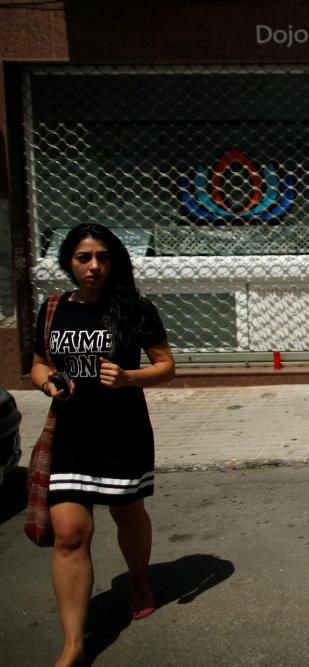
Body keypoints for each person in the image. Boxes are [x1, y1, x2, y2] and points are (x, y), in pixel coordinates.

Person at [31, 223, 175, 667]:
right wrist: (48, 384)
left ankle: (137, 580)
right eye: (83, 258)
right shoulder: (54, 309)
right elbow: (38, 365)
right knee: (71, 533)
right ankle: (73, 644)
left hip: (122, 433)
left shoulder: (135, 308)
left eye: (103, 257)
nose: (94, 266)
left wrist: (130, 377)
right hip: (71, 435)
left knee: (127, 512)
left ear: (114, 261)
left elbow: (166, 366)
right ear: (69, 263)